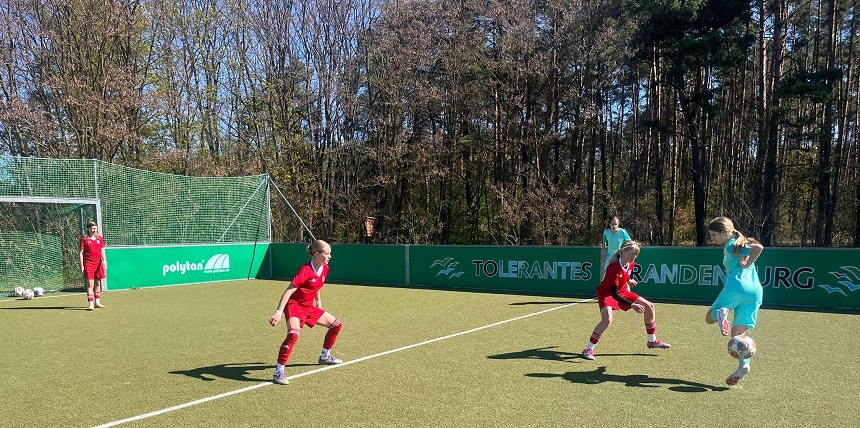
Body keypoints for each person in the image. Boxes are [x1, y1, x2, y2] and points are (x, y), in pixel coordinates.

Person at [269, 240, 344, 385]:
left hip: (308, 306)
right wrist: (278, 312)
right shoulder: (305, 270)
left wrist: (319, 303)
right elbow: (288, 291)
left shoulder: (325, 268)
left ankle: (325, 356)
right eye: (327, 253)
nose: (330, 256)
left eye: (330, 253)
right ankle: (279, 371)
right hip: (294, 305)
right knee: (293, 334)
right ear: (316, 254)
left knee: (336, 325)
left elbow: (317, 286)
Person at [582, 240, 671, 361]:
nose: (634, 257)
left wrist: (628, 281)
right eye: (632, 254)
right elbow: (614, 294)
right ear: (623, 252)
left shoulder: (631, 263)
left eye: (636, 254)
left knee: (650, 306)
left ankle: (652, 341)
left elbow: (623, 277)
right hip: (607, 293)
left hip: (622, 290)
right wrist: (632, 305)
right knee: (607, 319)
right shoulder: (613, 268)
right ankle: (588, 348)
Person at [704, 217, 764, 386]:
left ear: (725, 232)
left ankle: (721, 312)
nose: (712, 238)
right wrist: (748, 263)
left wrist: (746, 265)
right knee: (738, 335)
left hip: (736, 287)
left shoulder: (732, 245)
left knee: (710, 317)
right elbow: (756, 248)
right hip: (755, 292)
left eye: (714, 235)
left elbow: (759, 247)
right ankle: (744, 365)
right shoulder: (740, 243)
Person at [79, 220, 106, 311]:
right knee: (90, 284)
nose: (94, 230)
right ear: (88, 229)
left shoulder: (100, 239)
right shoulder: (84, 239)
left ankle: (97, 302)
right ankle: (90, 303)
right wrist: (82, 265)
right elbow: (81, 253)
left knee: (98, 283)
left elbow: (102, 250)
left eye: (95, 228)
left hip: (98, 264)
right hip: (88, 264)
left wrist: (105, 261)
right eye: (92, 228)